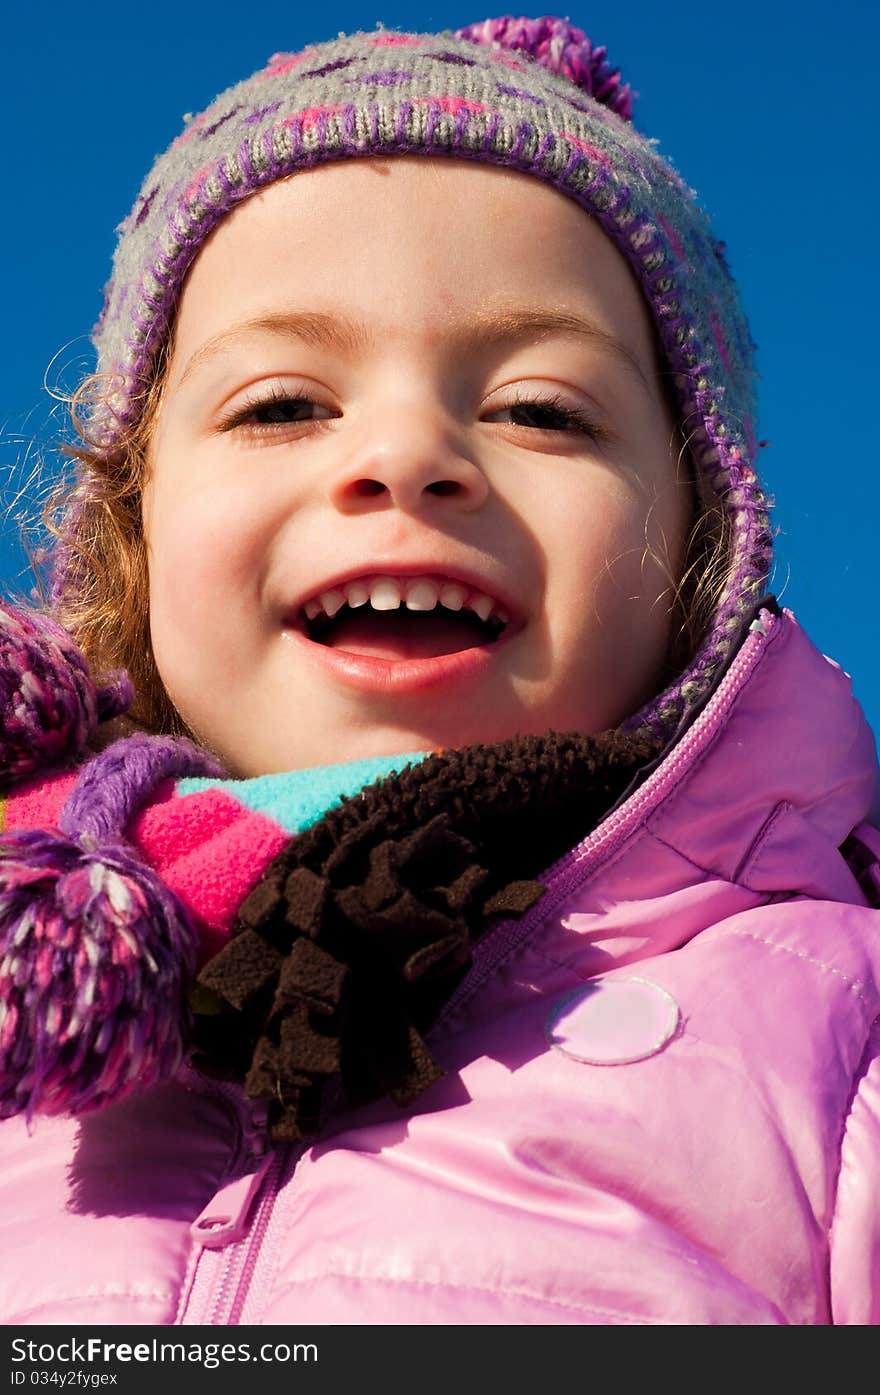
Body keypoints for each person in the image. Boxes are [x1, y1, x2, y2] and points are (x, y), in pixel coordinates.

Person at [0, 13, 877, 1327]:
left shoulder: (844, 1057)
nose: (408, 455)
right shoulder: (33, 997)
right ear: (130, 527)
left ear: (703, 544)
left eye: (541, 410)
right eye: (284, 403)